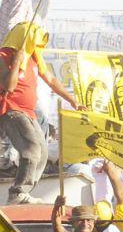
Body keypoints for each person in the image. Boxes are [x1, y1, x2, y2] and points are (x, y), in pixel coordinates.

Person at [1, 23, 84, 204]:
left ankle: (23, 192)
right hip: (10, 110)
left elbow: (51, 79)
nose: (38, 46)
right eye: (36, 41)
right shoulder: (4, 55)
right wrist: (16, 62)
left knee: (43, 153)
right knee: (31, 151)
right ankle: (17, 193)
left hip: (29, 113)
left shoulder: (33, 58)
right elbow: (9, 86)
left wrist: (72, 100)